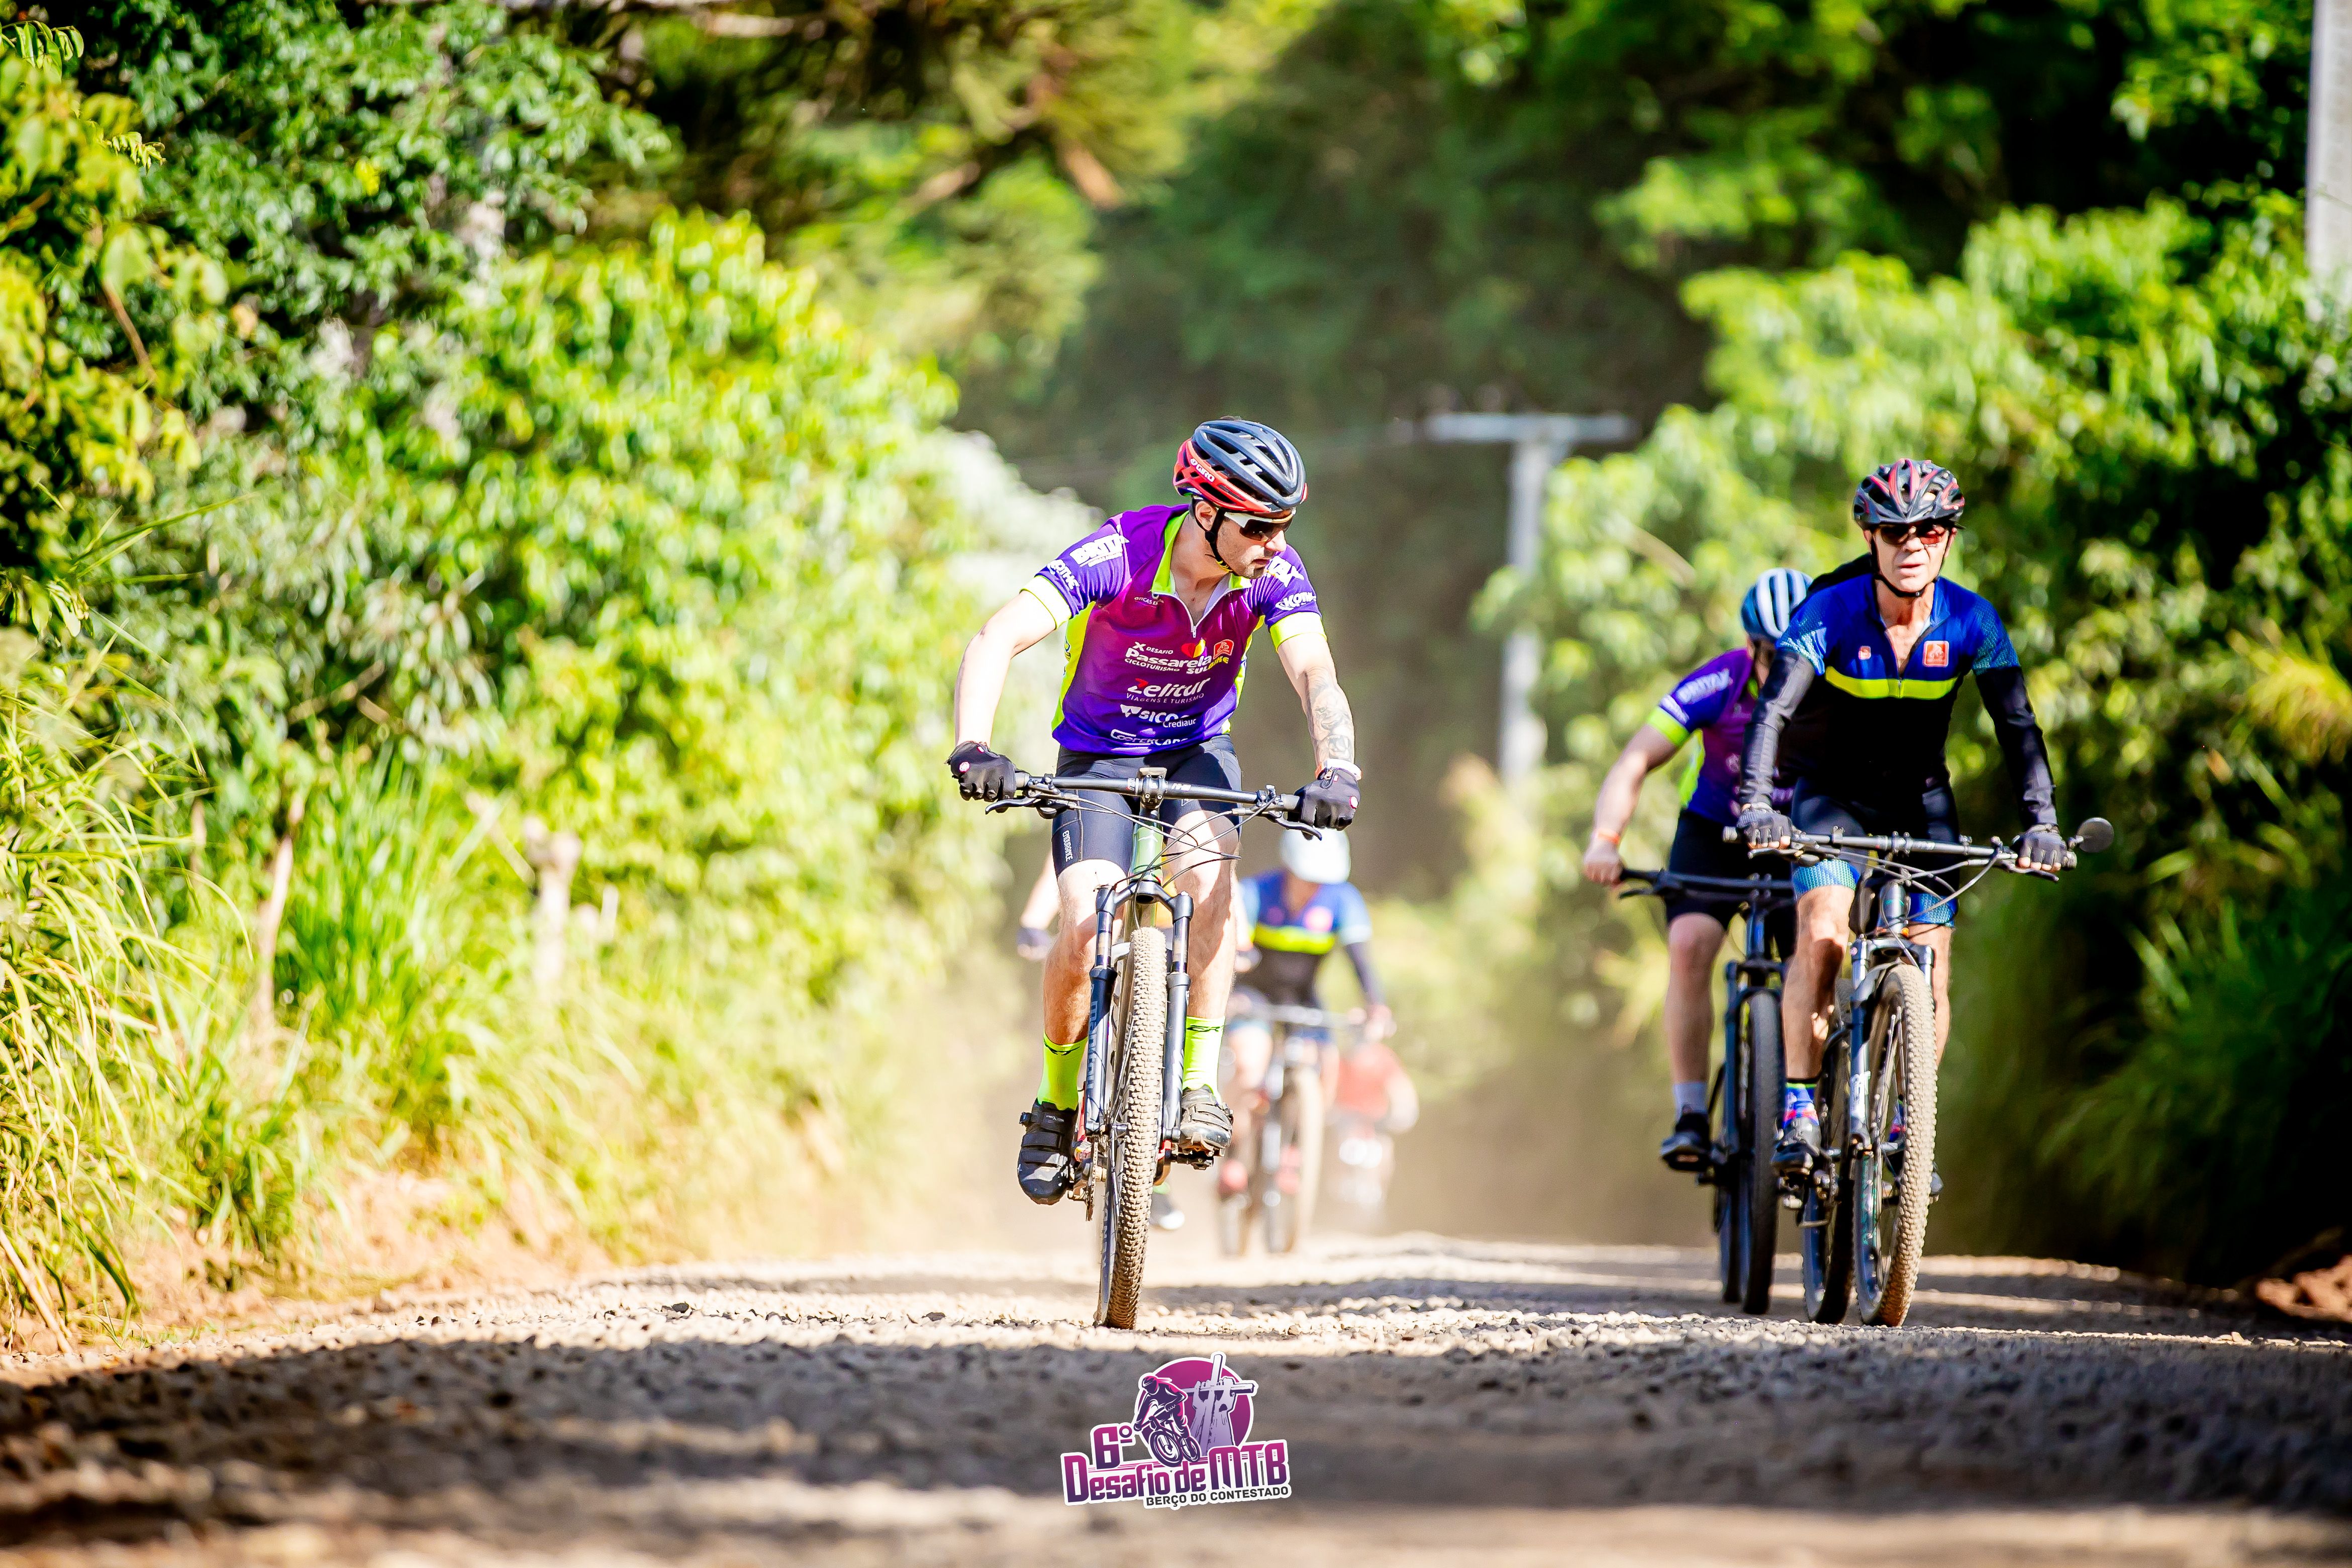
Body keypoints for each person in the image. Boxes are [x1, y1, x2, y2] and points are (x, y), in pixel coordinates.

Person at [948, 419, 1364, 1205]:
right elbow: (998, 636)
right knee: (1081, 924)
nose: (1276, 543)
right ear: (1206, 511)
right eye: (1259, 526)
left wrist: (1336, 766)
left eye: (1284, 526)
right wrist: (974, 745)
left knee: (1211, 881)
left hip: (1196, 754)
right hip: (1098, 756)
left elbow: (1314, 669)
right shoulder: (1120, 552)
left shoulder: (1274, 574)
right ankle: (1057, 1105)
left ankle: (1197, 1083)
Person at [1735, 458, 2066, 1180]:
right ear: (1870, 537)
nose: (1912, 545)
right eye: (1895, 532)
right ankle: (1799, 1107)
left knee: (1932, 965)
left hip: (1923, 803)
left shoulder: (1973, 620)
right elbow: (1772, 713)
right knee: (1823, 936)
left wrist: (2042, 821)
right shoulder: (1829, 612)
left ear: (1949, 538)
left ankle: (1909, 1128)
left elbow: (2017, 726)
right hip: (1832, 799)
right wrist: (1758, 804)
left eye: (1930, 531)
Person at [1582, 567, 1812, 1172]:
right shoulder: (1720, 681)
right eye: (1775, 655)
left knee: (1815, 959)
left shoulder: (1839, 686)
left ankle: (1810, 1108)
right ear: (1752, 647)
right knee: (1688, 946)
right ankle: (1689, 1114)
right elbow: (1635, 759)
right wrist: (1606, 840)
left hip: (1801, 837)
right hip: (1716, 831)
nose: (1787, 671)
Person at [1222, 830, 1393, 1213]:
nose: (1314, 887)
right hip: (1253, 995)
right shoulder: (1256, 893)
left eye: (1323, 880)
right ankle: (1233, 1152)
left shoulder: (1343, 900)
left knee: (1327, 1066)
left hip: (1303, 997)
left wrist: (1376, 1007)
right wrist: (1227, 993)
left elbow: (1361, 961)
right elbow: (1231, 950)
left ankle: (1296, 1149)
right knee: (1249, 1069)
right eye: (1307, 877)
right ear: (1289, 868)